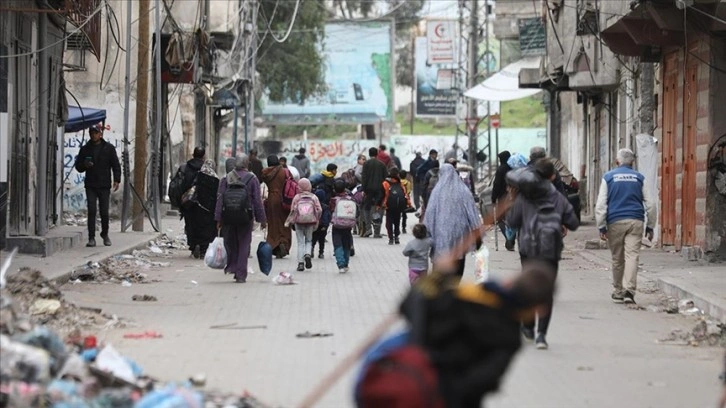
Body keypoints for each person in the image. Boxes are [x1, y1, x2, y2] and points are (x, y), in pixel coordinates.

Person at [506, 158, 580, 349]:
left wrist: (514, 200)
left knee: (528, 288)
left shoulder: (523, 197)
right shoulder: (557, 197)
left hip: (528, 249)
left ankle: (528, 327)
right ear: (552, 176)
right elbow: (573, 222)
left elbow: (512, 222)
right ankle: (541, 336)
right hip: (550, 250)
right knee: (546, 293)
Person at [595, 148, 656, 304]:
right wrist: (650, 226)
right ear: (632, 162)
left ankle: (618, 290)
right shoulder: (639, 178)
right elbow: (651, 204)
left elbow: (601, 204)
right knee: (632, 256)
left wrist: (601, 226)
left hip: (615, 221)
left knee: (617, 258)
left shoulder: (608, 177)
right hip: (636, 221)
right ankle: (629, 291)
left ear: (617, 162)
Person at [424, 164, 482, 282]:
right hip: (459, 237)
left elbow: (429, 215)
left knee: (439, 270)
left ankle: (440, 293)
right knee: (457, 266)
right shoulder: (464, 191)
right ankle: (453, 288)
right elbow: (473, 214)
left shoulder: (437, 192)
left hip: (439, 238)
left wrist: (425, 234)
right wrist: (478, 237)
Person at [215, 155, 266, 283]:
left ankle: (232, 266)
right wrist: (262, 219)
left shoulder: (226, 178)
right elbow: (257, 200)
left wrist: (218, 218)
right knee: (244, 243)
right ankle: (241, 274)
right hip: (246, 216)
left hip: (228, 216)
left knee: (231, 242)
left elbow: (220, 198)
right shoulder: (252, 178)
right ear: (246, 164)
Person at [74, 124, 121, 247]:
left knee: (104, 212)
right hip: (91, 185)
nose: (93, 135)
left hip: (104, 185)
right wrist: (85, 165)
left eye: (96, 133)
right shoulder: (85, 149)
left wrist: (117, 179)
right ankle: (91, 238)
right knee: (92, 211)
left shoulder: (108, 148)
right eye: (92, 133)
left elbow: (115, 165)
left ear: (100, 134)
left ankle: (105, 234)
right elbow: (78, 166)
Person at [181, 154, 219, 259]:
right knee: (208, 231)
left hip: (196, 207)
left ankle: (194, 247)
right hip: (209, 210)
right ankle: (203, 250)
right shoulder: (216, 179)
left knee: (194, 228)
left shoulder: (198, 176)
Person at [285, 178, 322, 272]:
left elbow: (292, 210)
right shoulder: (313, 197)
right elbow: (319, 210)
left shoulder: (297, 197)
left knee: (300, 242)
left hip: (299, 222)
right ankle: (308, 255)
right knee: (309, 241)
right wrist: (316, 218)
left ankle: (301, 263)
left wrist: (291, 221)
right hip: (310, 222)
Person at [261, 155, 292, 258]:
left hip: (271, 199)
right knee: (284, 223)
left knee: (273, 223)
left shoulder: (265, 172)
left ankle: (274, 245)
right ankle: (283, 242)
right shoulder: (285, 171)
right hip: (284, 199)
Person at [310, 164, 338, 259]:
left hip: (318, 205)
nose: (336, 172)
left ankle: (311, 250)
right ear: (332, 170)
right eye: (335, 170)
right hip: (325, 204)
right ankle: (321, 252)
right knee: (322, 234)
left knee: (314, 235)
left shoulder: (322, 177)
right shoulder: (331, 180)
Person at [330, 179, 356, 273]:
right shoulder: (351, 199)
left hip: (337, 226)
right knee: (346, 244)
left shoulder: (334, 200)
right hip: (348, 226)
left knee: (337, 245)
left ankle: (340, 264)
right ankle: (346, 264)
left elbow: (331, 210)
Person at [361, 147, 388, 238]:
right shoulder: (382, 164)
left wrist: (364, 190)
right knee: (378, 209)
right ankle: (377, 231)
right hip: (380, 190)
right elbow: (385, 178)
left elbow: (364, 178)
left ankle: (368, 228)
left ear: (369, 154)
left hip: (368, 190)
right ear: (377, 154)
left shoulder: (366, 164)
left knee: (366, 208)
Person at [491, 150, 514, 250]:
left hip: (503, 198)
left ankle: (509, 238)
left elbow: (496, 184)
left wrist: (493, 197)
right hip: (514, 197)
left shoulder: (501, 169)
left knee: (500, 219)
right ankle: (511, 238)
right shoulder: (513, 168)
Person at [382, 168, 408, 245]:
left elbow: (384, 194)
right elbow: (405, 195)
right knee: (397, 222)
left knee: (389, 222)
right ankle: (396, 237)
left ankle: (391, 238)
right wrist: (408, 204)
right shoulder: (400, 184)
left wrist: (382, 204)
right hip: (398, 206)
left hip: (389, 206)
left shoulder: (385, 183)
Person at [399, 170, 413, 234]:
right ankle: (403, 228)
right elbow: (409, 192)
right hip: (405, 199)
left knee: (398, 214)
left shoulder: (398, 182)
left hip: (398, 199)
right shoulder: (408, 183)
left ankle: (397, 227)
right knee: (404, 214)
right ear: (406, 175)